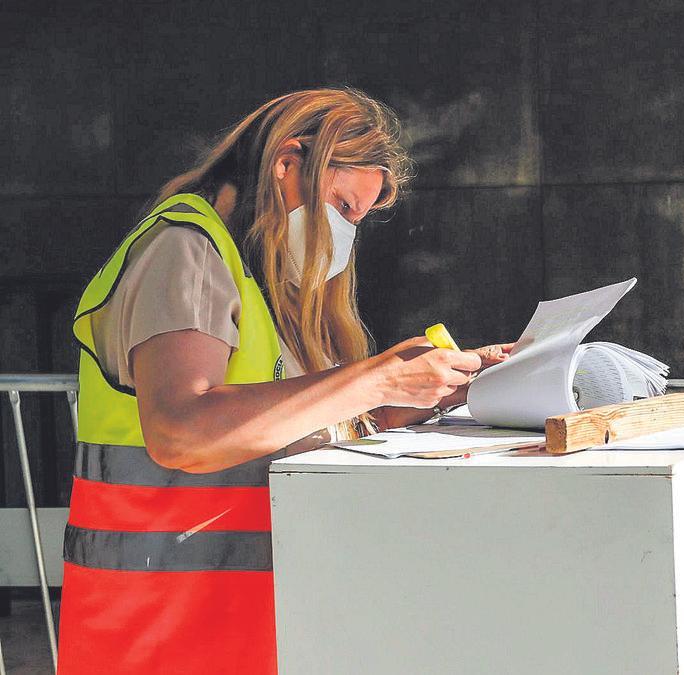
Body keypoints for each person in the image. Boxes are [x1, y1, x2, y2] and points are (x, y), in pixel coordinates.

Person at [58, 88, 508, 674]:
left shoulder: (257, 278)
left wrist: (412, 395)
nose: (348, 232)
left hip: (232, 629)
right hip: (161, 634)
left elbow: (279, 427)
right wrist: (374, 379)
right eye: (343, 205)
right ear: (287, 164)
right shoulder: (183, 251)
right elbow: (181, 431)